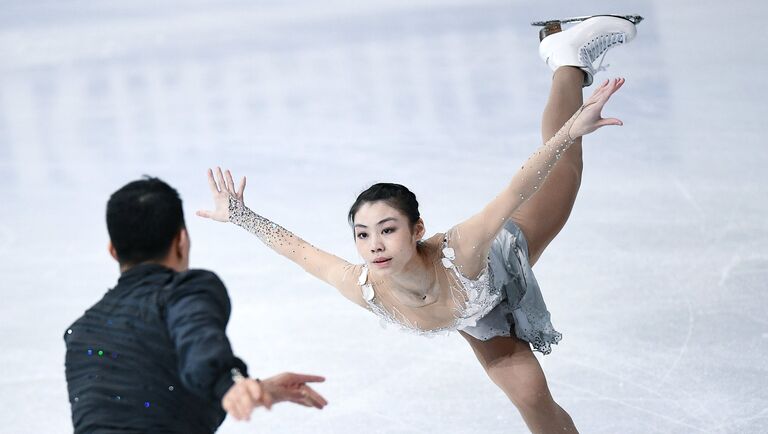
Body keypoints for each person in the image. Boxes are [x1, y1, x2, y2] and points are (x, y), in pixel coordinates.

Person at [198, 15, 638, 433]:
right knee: (531, 396)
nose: (375, 245)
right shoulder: (364, 285)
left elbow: (517, 190)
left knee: (565, 170)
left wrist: (568, 134)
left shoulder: (462, 251)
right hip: (478, 317)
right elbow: (299, 250)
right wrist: (240, 215)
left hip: (500, 263)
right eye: (363, 234)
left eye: (388, 229)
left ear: (418, 229)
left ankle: (565, 57)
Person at [64, 177, 327, 434]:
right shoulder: (183, 291)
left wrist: (254, 388)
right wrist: (229, 382)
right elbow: (196, 336)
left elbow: (154, 402)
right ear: (182, 240)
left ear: (112, 250)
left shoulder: (80, 333)